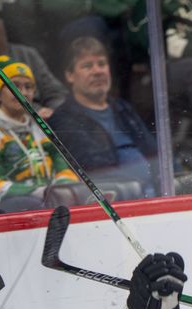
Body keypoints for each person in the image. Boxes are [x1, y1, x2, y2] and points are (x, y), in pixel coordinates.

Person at [0, 56, 78, 213]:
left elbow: (63, 165)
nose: (23, 92)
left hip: (48, 207)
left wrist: (63, 187)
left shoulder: (39, 126)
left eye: (28, 87)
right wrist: (41, 192)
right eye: (14, 86)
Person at [48, 37, 158, 198]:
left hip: (156, 192)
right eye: (87, 66)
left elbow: (156, 153)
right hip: (117, 199)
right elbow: (96, 172)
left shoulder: (122, 108)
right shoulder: (63, 118)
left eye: (102, 64)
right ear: (70, 76)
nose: (97, 71)